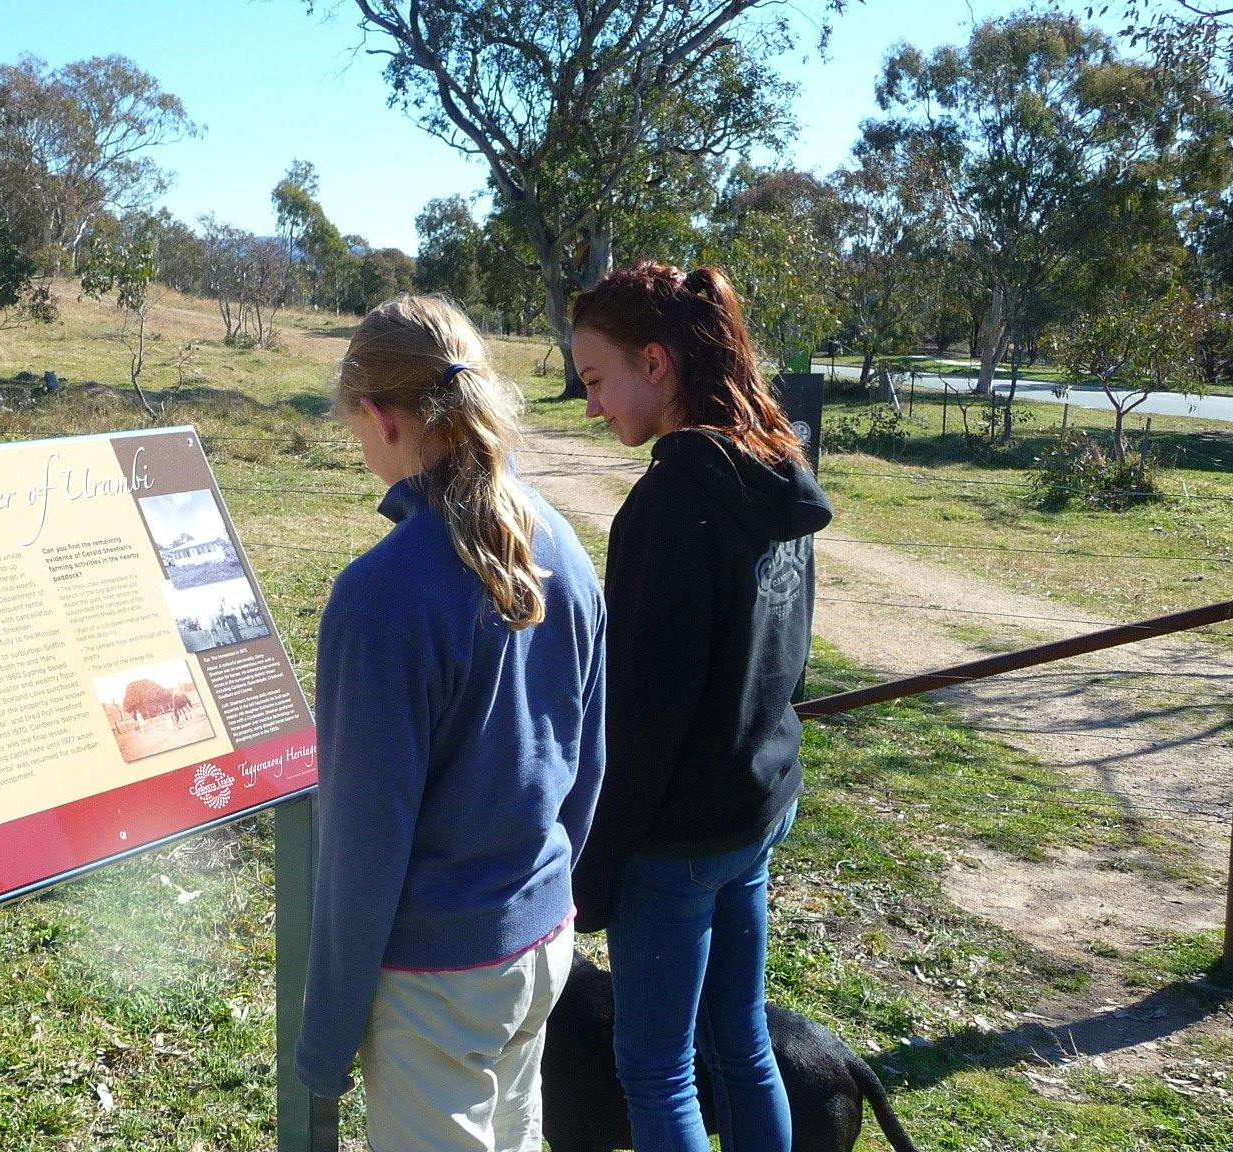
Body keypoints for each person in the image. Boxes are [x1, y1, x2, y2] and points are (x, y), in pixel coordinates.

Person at [294, 295, 607, 1152]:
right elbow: (587, 761)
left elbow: (363, 847)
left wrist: (323, 1043)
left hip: (438, 982)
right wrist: (540, 888)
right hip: (542, 938)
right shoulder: (565, 545)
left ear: (381, 415)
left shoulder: (379, 598)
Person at [568, 262, 833, 1152]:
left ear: (657, 361)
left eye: (598, 380)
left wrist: (595, 870)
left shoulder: (670, 502)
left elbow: (644, 718)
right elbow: (791, 659)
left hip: (677, 840)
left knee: (657, 1068)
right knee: (741, 1041)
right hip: (754, 811)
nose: (593, 404)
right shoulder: (773, 472)